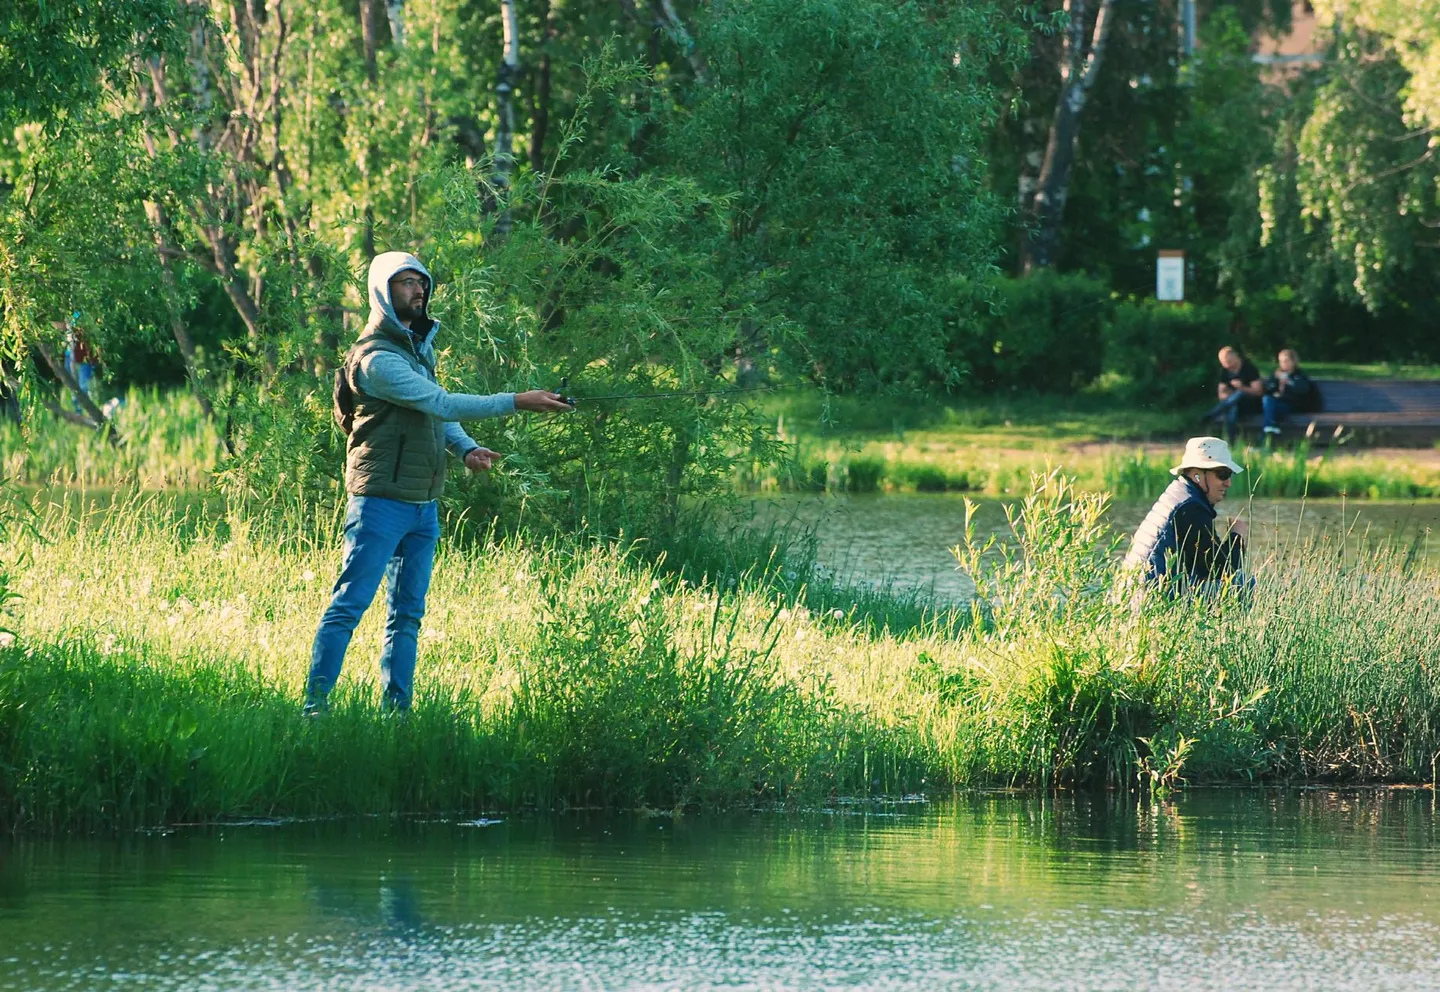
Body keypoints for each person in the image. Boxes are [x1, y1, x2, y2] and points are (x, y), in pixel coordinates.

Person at [305, 251, 572, 714]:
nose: (418, 291)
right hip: (379, 504)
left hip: (423, 505)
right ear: (382, 294)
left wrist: (466, 449)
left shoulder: (415, 347)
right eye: (405, 283)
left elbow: (435, 415)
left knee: (406, 615)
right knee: (349, 608)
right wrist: (518, 401)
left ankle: (397, 714)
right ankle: (314, 708)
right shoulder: (376, 360)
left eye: (421, 283)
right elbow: (442, 402)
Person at [1123, 436, 1249, 596]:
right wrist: (1236, 536)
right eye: (1222, 474)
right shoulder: (1190, 507)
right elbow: (1221, 571)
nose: (1228, 483)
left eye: (1229, 474)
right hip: (1150, 599)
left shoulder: (1180, 494)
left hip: (1135, 594)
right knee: (1242, 584)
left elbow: (1204, 564)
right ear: (1197, 475)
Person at [1203, 346, 1263, 440]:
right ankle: (1231, 439)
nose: (1227, 366)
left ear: (1236, 357)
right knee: (1233, 407)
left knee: (1240, 394)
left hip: (1251, 404)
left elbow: (1258, 392)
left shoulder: (1249, 369)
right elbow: (1221, 394)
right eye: (1224, 363)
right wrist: (1230, 395)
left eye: (1229, 362)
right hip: (1233, 404)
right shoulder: (1225, 372)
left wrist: (1242, 388)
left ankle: (1213, 413)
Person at [1261, 348, 1318, 436]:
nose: (1283, 364)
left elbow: (1303, 390)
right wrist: (1276, 382)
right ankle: (1271, 428)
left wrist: (1288, 381)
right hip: (1277, 404)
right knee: (1268, 401)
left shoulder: (1299, 375)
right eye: (1281, 361)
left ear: (1293, 361)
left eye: (1286, 361)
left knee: (1271, 412)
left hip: (1293, 405)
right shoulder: (1276, 375)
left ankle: (1268, 432)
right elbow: (1268, 390)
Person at [63, 314, 96, 413]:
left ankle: (86, 408)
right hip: (71, 355)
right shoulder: (70, 314)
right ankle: (78, 408)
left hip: (84, 358)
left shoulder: (86, 315)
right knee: (72, 382)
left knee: (83, 384)